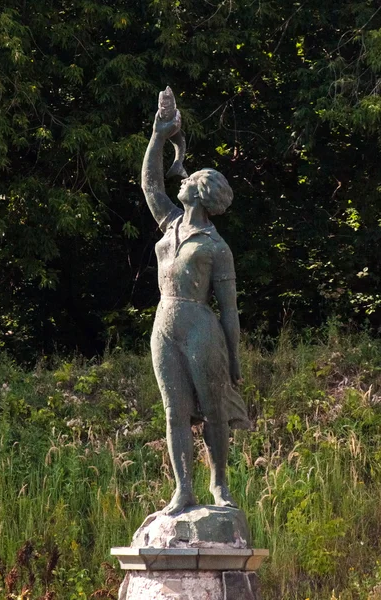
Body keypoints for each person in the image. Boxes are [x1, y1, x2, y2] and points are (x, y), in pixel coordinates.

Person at [141, 108, 250, 515]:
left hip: (201, 328)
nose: (182, 179)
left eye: (190, 178)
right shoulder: (169, 224)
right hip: (164, 325)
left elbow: (230, 311)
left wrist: (235, 361)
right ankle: (183, 489)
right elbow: (151, 183)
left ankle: (219, 485)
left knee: (213, 408)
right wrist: (158, 135)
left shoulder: (217, 248)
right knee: (175, 411)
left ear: (202, 193)